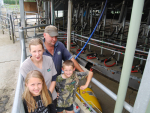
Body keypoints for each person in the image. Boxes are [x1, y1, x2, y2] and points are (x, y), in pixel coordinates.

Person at [20, 38, 57, 105]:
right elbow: (29, 86)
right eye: (34, 51)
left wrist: (48, 94)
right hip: (37, 101)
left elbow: (54, 79)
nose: (37, 54)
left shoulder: (49, 60)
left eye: (39, 50)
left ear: (43, 49)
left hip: (51, 96)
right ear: (30, 51)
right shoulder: (25, 66)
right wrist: (42, 98)